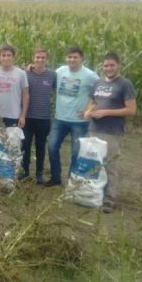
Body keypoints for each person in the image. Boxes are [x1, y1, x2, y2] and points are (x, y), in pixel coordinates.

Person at [85, 53, 136, 213]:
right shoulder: (98, 82)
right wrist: (88, 111)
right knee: (94, 164)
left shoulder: (125, 84)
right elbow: (92, 102)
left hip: (112, 132)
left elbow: (131, 110)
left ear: (119, 65)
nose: (109, 68)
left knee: (111, 166)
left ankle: (110, 199)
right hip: (94, 129)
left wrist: (106, 112)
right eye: (106, 66)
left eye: (112, 65)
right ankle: (94, 195)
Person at [44, 46, 99, 187]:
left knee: (76, 152)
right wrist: (31, 67)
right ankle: (56, 177)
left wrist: (90, 109)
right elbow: (45, 75)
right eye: (69, 57)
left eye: (75, 57)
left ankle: (71, 180)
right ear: (65, 58)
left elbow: (100, 93)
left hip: (79, 121)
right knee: (51, 147)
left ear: (82, 58)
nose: (72, 60)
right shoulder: (60, 71)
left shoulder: (90, 75)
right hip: (59, 118)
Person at [22, 49, 57, 184]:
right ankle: (24, 172)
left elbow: (58, 91)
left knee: (40, 146)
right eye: (37, 57)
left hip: (44, 118)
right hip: (28, 117)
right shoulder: (26, 74)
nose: (40, 60)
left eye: (43, 58)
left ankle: (39, 174)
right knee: (25, 145)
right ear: (33, 58)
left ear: (46, 59)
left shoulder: (52, 75)